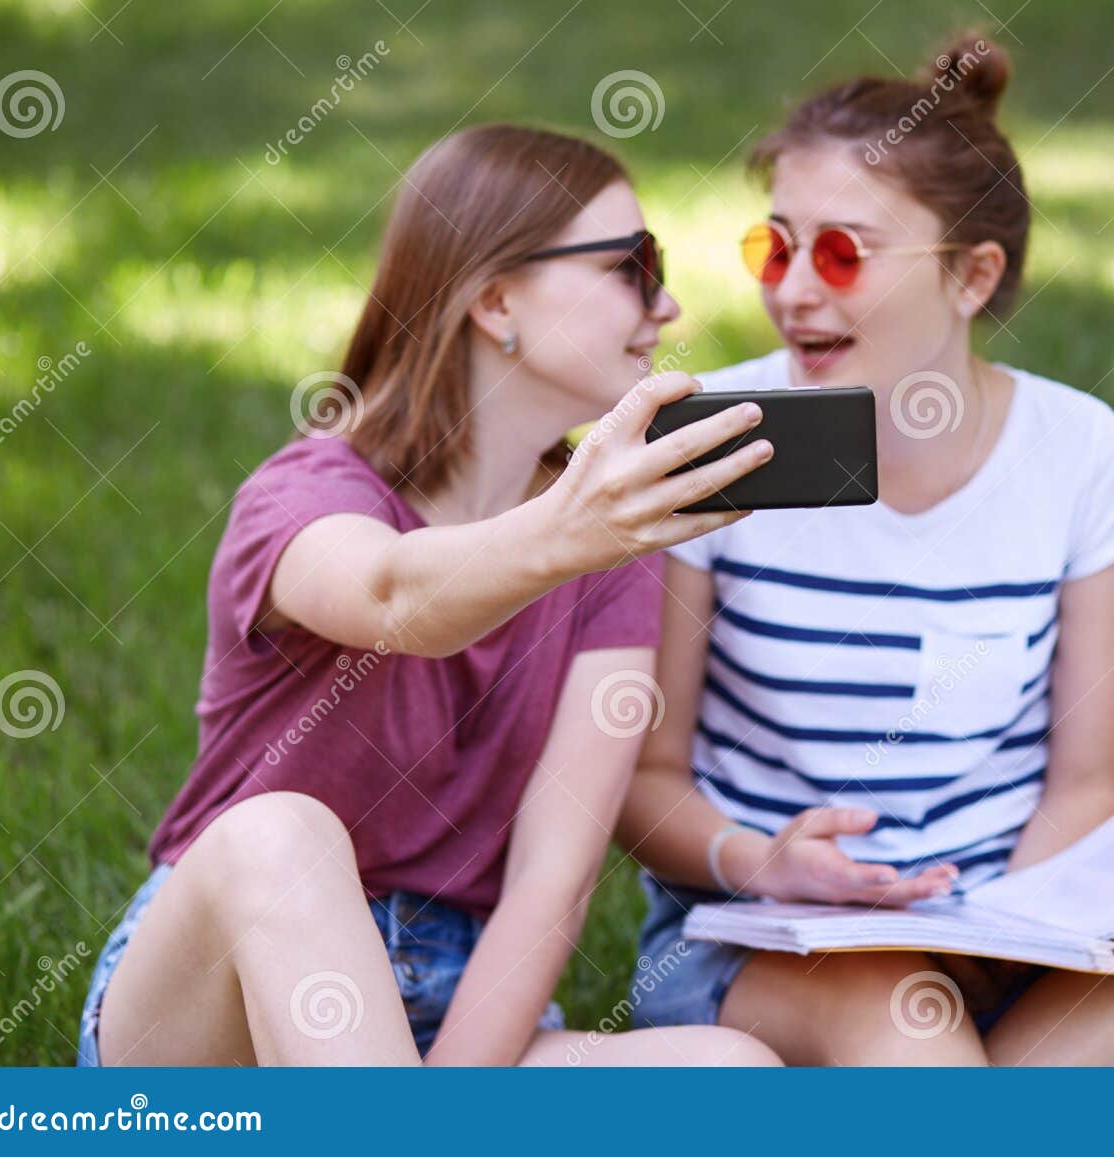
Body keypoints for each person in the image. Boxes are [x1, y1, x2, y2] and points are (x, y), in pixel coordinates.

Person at [617, 35, 1114, 1066]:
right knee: (899, 1007)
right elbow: (643, 782)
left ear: (972, 276)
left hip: (1004, 921)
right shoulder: (709, 445)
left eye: (841, 254)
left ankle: (972, 1083)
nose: (791, 293)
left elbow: (1085, 785)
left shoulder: (1088, 459)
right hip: (774, 939)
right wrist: (762, 860)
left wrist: (1007, 926)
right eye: (774, 248)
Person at [78, 123, 779, 1067]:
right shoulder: (307, 493)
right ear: (495, 299)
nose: (670, 304)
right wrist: (571, 533)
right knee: (280, 835)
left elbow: (551, 874)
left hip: (449, 1012)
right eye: (633, 266)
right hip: (220, 1006)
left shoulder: (611, 547)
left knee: (727, 1072)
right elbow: (396, 598)